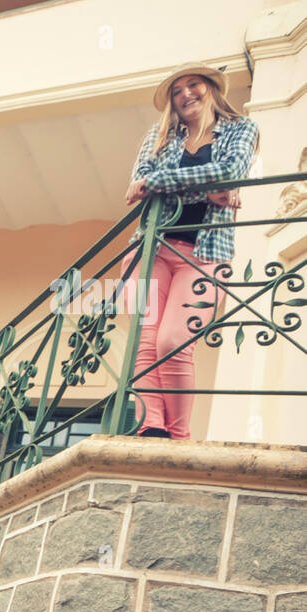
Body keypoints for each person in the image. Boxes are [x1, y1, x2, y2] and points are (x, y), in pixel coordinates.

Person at [121, 62, 259, 440]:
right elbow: (138, 185)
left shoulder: (241, 129)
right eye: (176, 90)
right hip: (151, 249)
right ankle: (151, 428)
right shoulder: (159, 135)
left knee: (173, 341)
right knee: (145, 343)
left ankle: (178, 437)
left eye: (193, 84)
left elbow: (229, 171)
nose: (185, 94)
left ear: (210, 88)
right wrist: (207, 189)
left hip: (206, 253)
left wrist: (161, 183)